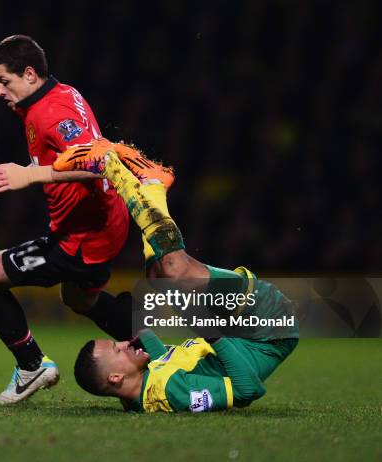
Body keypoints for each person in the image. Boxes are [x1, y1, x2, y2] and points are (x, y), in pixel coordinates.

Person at [53, 139, 299, 412]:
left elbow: (163, 363)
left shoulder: (143, 394)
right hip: (266, 326)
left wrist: (142, 331)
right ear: (115, 377)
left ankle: (153, 186)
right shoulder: (172, 393)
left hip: (242, 324)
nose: (123, 343)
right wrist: (212, 334)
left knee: (160, 276)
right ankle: (120, 174)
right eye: (116, 349)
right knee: (173, 271)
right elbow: (247, 389)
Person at [0, 35, 137, 405]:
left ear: (30, 74)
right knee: (79, 297)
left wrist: (31, 175)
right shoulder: (54, 95)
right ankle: (152, 348)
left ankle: (31, 366)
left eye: (4, 81)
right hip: (107, 222)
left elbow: (100, 164)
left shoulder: (52, 114)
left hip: (81, 236)